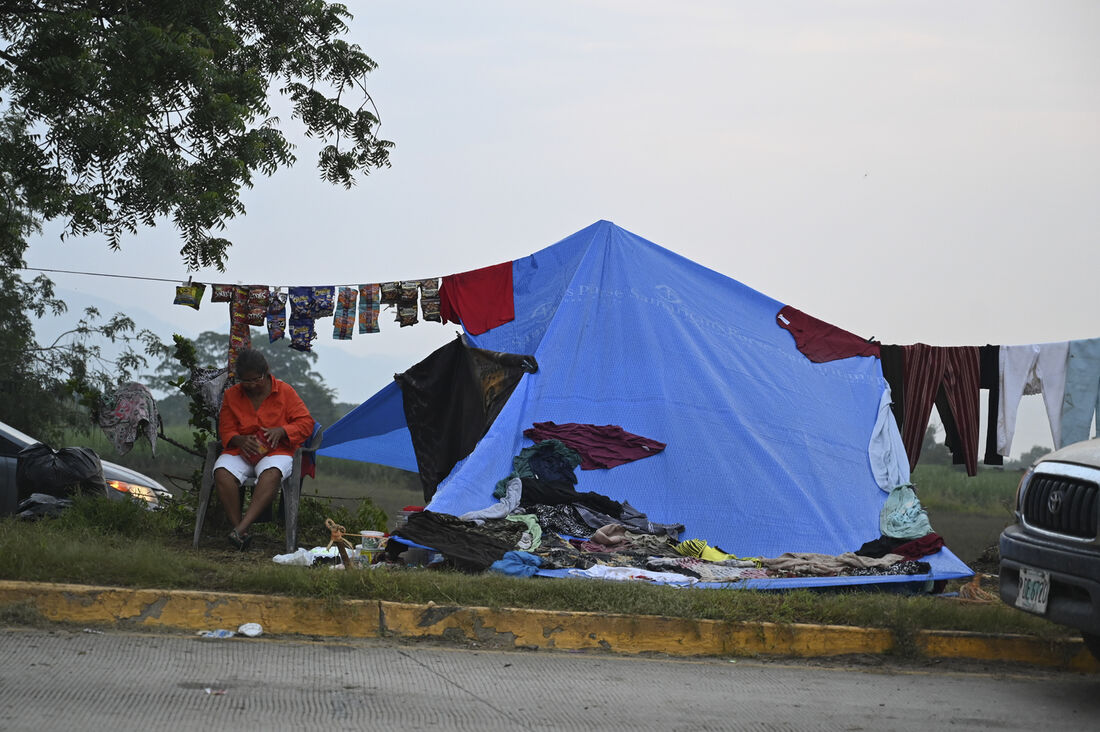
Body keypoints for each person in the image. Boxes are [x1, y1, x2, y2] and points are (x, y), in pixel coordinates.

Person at [213, 349, 315, 550]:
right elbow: (225, 427)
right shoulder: (231, 395)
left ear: (266, 372)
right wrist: (239, 439)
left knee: (272, 473)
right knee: (221, 473)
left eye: (256, 379)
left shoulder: (285, 392)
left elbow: (306, 423)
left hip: (276, 452)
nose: (251, 385)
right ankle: (241, 533)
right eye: (245, 381)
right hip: (240, 453)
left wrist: (283, 431)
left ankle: (240, 529)